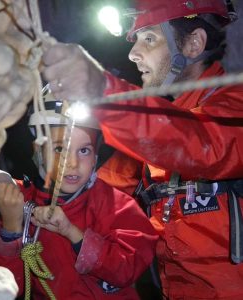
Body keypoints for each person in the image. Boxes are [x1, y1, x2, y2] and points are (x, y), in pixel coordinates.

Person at [41, 0, 243, 299]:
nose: (133, 54)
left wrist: (103, 89)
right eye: (135, 40)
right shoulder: (154, 132)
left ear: (194, 44)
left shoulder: (234, 104)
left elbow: (204, 145)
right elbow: (99, 193)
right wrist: (20, 197)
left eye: (149, 38)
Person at [0, 88, 158, 300]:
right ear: (38, 152)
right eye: (59, 150)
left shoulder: (118, 206)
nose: (72, 164)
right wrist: (11, 227)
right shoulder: (23, 203)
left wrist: (72, 233)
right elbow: (2, 287)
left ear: (95, 156)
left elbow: (127, 268)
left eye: (84, 150)